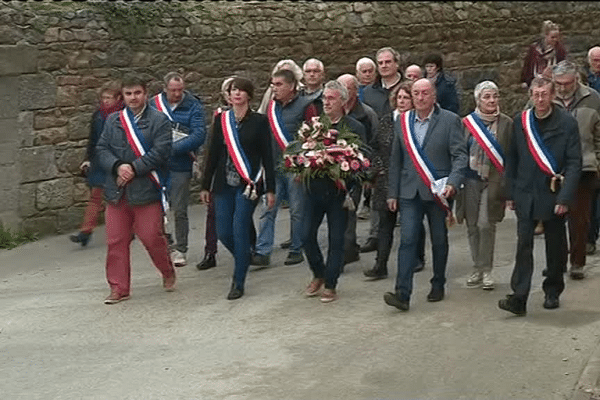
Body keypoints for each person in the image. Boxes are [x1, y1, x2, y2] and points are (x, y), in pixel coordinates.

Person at [498, 76, 581, 316]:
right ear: (531, 95)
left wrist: (565, 198)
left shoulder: (567, 123)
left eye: (544, 94)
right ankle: (519, 297)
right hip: (525, 192)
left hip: (553, 192)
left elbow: (575, 163)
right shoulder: (520, 122)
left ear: (553, 95)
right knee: (523, 245)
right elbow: (511, 159)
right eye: (536, 94)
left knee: (555, 247)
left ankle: (552, 290)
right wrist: (510, 193)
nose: (540, 99)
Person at [383, 78, 467, 312]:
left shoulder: (450, 121)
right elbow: (396, 160)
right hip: (409, 191)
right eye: (416, 93)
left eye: (424, 93)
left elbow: (460, 155)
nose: (420, 98)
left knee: (439, 240)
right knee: (407, 240)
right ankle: (402, 293)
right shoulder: (403, 122)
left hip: (438, 191)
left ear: (434, 96)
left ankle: (438, 282)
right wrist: (392, 193)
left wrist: (453, 182)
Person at [95, 73, 175, 304]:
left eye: (137, 93)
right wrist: (118, 166)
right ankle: (119, 288)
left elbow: (161, 151)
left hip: (145, 188)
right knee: (116, 241)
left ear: (145, 94)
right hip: (117, 190)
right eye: (128, 94)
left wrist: (134, 168)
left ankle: (167, 270)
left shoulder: (159, 120)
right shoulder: (113, 121)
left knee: (151, 237)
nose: (133, 98)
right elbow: (101, 149)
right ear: (123, 96)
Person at [200, 77, 276, 300]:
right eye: (233, 90)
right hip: (224, 183)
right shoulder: (221, 120)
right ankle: (245, 257)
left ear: (249, 95)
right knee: (223, 232)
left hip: (248, 184)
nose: (237, 94)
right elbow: (212, 154)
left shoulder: (260, 122)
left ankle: (238, 281)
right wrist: (205, 185)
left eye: (242, 90)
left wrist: (270, 188)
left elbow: (268, 157)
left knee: (239, 228)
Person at [303, 80, 366, 303]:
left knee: (337, 239)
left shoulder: (354, 127)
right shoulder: (313, 126)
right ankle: (318, 273)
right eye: (324, 98)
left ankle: (330, 283)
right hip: (313, 190)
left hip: (339, 193)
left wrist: (345, 169)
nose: (326, 102)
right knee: (305, 235)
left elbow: (362, 161)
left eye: (331, 98)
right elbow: (301, 152)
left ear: (343, 100)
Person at [253, 69, 318, 267]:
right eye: (273, 84)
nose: (275, 88)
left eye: (279, 84)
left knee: (297, 210)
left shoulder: (307, 106)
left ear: (291, 86)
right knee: (268, 209)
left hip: (295, 166)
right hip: (273, 166)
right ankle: (263, 251)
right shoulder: (271, 107)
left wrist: (304, 165)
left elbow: (313, 138)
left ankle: (296, 248)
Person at [363, 80, 427, 280]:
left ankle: (418, 257)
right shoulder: (386, 120)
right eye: (399, 97)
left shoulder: (418, 122)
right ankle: (380, 264)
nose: (401, 101)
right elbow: (375, 148)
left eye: (406, 98)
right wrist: (378, 169)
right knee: (385, 224)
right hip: (386, 179)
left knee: (413, 221)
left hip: (410, 179)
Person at [455, 81, 513, 291]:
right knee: (472, 226)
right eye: (487, 97)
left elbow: (511, 155)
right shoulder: (466, 123)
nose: (491, 101)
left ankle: (487, 269)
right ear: (478, 100)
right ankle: (477, 267)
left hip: (494, 181)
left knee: (485, 224)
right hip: (470, 180)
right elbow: (459, 150)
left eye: (495, 96)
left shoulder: (507, 123)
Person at [150, 72, 206, 267]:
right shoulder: (153, 105)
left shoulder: (193, 105)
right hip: (156, 165)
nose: (177, 94)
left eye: (180, 90)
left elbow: (198, 134)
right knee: (156, 208)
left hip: (180, 164)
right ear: (165, 89)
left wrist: (172, 149)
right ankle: (166, 244)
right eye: (173, 91)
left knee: (180, 209)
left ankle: (181, 249)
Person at [551, 61, 600, 280]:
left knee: (579, 219)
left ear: (576, 80)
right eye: (558, 83)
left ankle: (577, 262)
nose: (561, 88)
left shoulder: (593, 99)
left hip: (584, 167)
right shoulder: (546, 98)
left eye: (566, 83)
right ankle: (557, 261)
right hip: (552, 169)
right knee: (553, 219)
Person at [70, 80, 124, 247]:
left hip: (117, 161)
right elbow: (92, 139)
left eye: (109, 97)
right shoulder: (98, 115)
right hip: (99, 161)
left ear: (118, 98)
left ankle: (128, 229)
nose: (106, 101)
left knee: (120, 198)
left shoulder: (124, 115)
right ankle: (85, 232)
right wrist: (87, 159)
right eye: (104, 97)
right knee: (95, 196)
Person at [336, 74, 376, 265]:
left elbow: (372, 144)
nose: (344, 92)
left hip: (355, 172)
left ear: (355, 90)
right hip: (333, 173)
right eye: (340, 88)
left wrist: (368, 174)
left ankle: (346, 250)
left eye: (348, 88)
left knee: (349, 211)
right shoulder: (330, 115)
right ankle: (348, 248)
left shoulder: (366, 114)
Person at [197, 76, 236, 271]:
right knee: (213, 214)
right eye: (229, 91)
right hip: (220, 172)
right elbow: (211, 147)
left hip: (241, 172)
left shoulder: (252, 116)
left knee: (240, 214)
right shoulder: (219, 116)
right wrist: (206, 176)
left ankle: (248, 247)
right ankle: (210, 251)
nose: (233, 95)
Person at [520, 20, 567, 89]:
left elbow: (563, 66)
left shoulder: (560, 50)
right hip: (535, 80)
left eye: (557, 37)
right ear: (546, 36)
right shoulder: (535, 49)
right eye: (552, 37)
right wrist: (525, 80)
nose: (555, 40)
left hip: (552, 82)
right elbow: (528, 64)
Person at [362, 47, 403, 118]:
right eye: (380, 63)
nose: (384, 66)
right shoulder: (368, 92)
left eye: (388, 62)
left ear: (396, 63)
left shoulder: (409, 87)